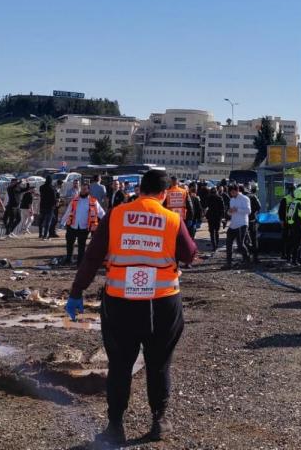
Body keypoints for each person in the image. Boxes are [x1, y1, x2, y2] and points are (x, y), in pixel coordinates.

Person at [65, 169, 197, 445]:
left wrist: (77, 291)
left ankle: (115, 426)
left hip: (121, 302)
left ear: (139, 190)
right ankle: (159, 421)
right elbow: (188, 254)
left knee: (120, 365)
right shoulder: (171, 218)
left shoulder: (116, 215)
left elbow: (92, 257)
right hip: (163, 302)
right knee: (159, 363)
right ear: (163, 194)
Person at [59, 182, 105, 266]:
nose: (83, 191)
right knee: (69, 243)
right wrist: (62, 222)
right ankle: (68, 259)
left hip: (84, 227)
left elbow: (101, 213)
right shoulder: (75, 200)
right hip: (72, 225)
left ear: (88, 190)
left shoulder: (93, 201)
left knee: (81, 246)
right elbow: (68, 211)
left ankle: (80, 262)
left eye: (85, 189)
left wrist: (107, 221)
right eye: (82, 189)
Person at [224, 184, 251, 268]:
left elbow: (248, 211)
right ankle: (229, 263)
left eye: (233, 192)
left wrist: (237, 209)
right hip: (233, 224)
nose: (232, 194)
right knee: (228, 243)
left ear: (237, 190)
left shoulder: (245, 198)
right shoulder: (231, 200)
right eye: (230, 192)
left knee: (240, 244)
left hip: (242, 224)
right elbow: (229, 213)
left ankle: (247, 259)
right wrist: (229, 212)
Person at [284, 188, 301, 265]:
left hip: (291, 225)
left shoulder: (292, 203)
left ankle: (289, 258)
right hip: (298, 226)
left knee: (291, 242)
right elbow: (300, 216)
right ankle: (295, 260)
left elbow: (288, 215)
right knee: (298, 244)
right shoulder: (300, 204)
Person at [202, 182, 224, 251]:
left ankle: (214, 246)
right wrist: (222, 217)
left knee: (211, 232)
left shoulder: (208, 198)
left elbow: (205, 206)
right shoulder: (220, 198)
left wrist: (205, 215)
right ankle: (216, 244)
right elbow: (222, 208)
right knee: (216, 231)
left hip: (210, 216)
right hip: (218, 217)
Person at [278, 184, 295, 262]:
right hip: (286, 222)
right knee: (285, 239)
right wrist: (281, 221)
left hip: (294, 222)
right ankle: (284, 254)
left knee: (291, 239)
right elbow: (281, 211)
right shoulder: (285, 199)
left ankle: (289, 254)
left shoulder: (297, 199)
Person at [244, 184, 261, 260]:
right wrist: (254, 212)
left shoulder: (242, 197)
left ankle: (247, 256)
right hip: (252, 220)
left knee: (244, 239)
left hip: (244, 220)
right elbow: (259, 207)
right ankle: (255, 257)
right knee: (254, 239)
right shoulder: (253, 196)